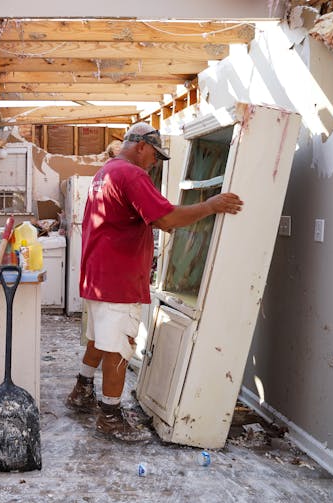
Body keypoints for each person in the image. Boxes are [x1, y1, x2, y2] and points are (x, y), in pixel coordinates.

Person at [65, 122, 243, 441]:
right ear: (141, 146)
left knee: (99, 338)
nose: (155, 162)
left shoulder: (106, 172)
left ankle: (81, 391)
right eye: (155, 155)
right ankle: (110, 416)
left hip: (97, 275)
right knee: (119, 347)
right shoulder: (132, 174)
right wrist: (211, 206)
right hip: (118, 280)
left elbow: (136, 218)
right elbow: (166, 218)